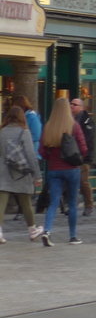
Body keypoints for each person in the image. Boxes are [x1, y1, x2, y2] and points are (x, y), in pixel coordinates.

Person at [38, 97, 87, 246]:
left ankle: (47, 231)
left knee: (53, 202)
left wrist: (51, 157)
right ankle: (73, 236)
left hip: (54, 169)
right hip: (71, 169)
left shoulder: (48, 126)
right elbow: (83, 148)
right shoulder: (74, 126)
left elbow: (42, 151)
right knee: (72, 203)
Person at [0, 105, 43, 244]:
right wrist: (37, 175)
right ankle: (32, 230)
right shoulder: (24, 132)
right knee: (26, 203)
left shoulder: (2, 131)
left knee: (1, 204)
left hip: (3, 171)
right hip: (21, 172)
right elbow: (31, 155)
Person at [70, 98, 96, 216]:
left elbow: (88, 139)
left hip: (84, 156)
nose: (72, 106)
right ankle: (71, 205)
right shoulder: (69, 119)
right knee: (70, 181)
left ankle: (89, 205)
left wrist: (84, 153)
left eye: (74, 104)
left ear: (81, 107)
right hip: (71, 155)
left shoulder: (87, 121)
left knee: (83, 181)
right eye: (71, 104)